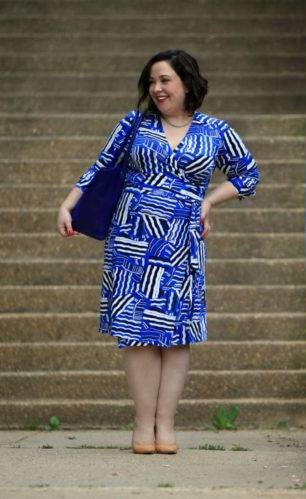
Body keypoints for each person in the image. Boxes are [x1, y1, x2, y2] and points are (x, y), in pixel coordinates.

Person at [56, 49, 259, 455]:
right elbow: (101, 166)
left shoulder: (216, 131)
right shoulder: (134, 124)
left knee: (176, 333)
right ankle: (141, 424)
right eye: (152, 81)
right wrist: (68, 204)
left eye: (165, 80)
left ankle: (165, 425)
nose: (157, 88)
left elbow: (247, 175)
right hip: (132, 238)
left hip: (182, 240)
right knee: (136, 333)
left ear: (187, 82)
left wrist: (209, 201)